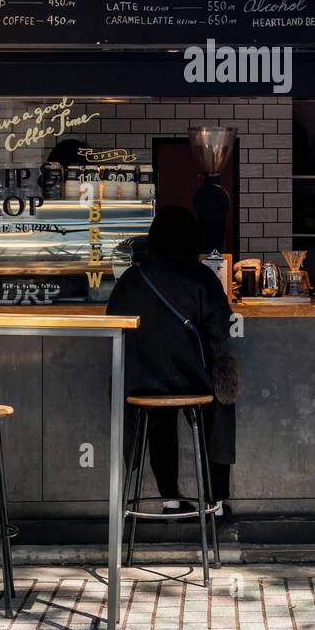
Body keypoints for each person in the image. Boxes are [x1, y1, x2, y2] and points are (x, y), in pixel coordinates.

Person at [107, 205, 235, 514]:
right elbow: (222, 328)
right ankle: (216, 502)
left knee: (158, 421)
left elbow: (112, 324)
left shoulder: (131, 279)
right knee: (216, 414)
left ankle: (170, 500)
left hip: (141, 382)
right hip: (194, 379)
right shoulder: (202, 277)